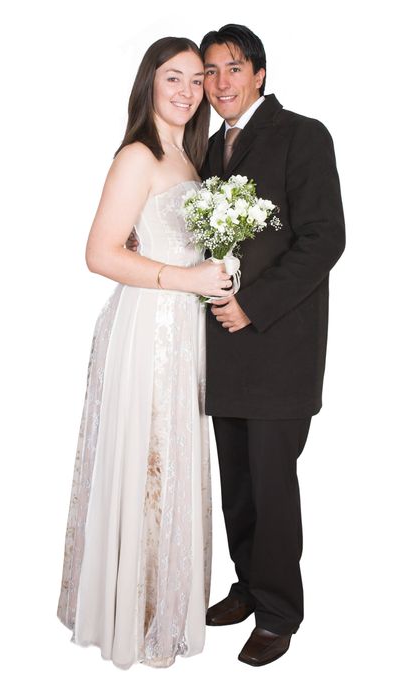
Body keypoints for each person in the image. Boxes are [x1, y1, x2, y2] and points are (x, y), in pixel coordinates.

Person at [56, 37, 232, 670]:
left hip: (185, 333)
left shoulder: (192, 160)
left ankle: (163, 602)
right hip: (146, 330)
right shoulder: (140, 155)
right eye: (173, 78)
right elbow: (100, 253)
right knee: (146, 459)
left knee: (174, 458)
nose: (187, 91)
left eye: (196, 80)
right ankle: (132, 614)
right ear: (149, 85)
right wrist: (189, 280)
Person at [199, 24, 346, 666]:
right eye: (210, 71)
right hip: (220, 351)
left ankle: (280, 613)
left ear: (259, 73)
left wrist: (250, 307)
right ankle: (249, 587)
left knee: (272, 485)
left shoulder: (303, 136)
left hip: (278, 349)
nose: (220, 82)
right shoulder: (207, 149)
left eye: (232, 68)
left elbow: (323, 239)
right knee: (237, 485)